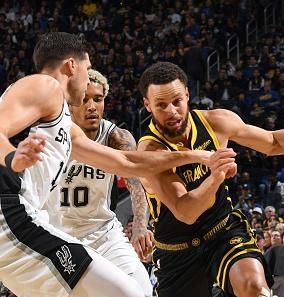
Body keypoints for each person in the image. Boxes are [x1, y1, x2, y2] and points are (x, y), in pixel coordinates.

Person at [0, 32, 231, 297]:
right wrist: (11, 157)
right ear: (72, 66)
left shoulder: (64, 125)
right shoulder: (44, 86)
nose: (87, 80)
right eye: (87, 70)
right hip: (11, 215)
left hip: (24, 225)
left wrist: (195, 156)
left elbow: (128, 162)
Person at [136, 61, 284, 297]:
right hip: (177, 248)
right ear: (147, 106)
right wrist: (216, 176)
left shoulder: (216, 122)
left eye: (177, 102)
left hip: (222, 231)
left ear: (187, 95)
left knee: (254, 288)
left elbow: (273, 142)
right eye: (161, 106)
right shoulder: (150, 152)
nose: (172, 112)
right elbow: (185, 211)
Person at [46, 69, 152, 296]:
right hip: (60, 237)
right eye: (84, 100)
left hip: (103, 233)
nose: (92, 106)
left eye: (98, 99)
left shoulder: (117, 138)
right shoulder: (51, 136)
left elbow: (137, 185)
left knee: (142, 290)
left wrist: (141, 227)